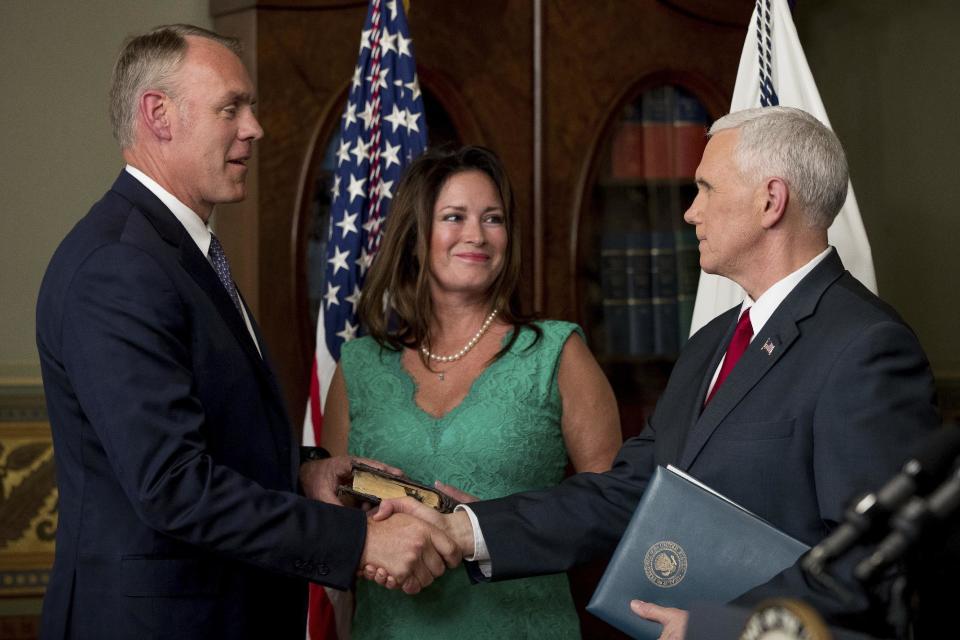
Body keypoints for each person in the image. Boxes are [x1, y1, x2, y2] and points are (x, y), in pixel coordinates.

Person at [370, 107, 941, 639]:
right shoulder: (712, 344)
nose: (691, 210)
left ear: (771, 202)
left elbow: (880, 559)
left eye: (706, 189)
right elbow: (628, 492)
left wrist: (723, 626)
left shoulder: (865, 346)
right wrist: (464, 527)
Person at [35, 24, 458, 639]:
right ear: (158, 114)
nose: (255, 128)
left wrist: (306, 473)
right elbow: (174, 485)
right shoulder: (120, 266)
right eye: (231, 107)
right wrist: (359, 540)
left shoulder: (175, 251)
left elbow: (215, 437)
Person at [320, 145, 622, 639]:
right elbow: (335, 513)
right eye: (454, 217)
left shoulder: (556, 353)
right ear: (416, 237)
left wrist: (493, 528)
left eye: (493, 219)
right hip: (391, 626)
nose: (476, 235)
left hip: (522, 626)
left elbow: (609, 504)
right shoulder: (359, 365)